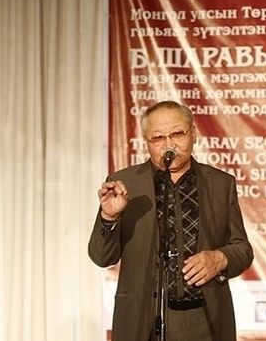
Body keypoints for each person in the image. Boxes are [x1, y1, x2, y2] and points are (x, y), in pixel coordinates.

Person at [89, 101, 254, 341]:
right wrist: (109, 217)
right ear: (146, 142)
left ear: (193, 134)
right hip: (141, 321)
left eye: (177, 134)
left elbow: (242, 248)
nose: (169, 144)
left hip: (203, 319)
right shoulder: (126, 183)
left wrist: (220, 258)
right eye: (158, 138)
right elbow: (101, 257)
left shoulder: (220, 183)